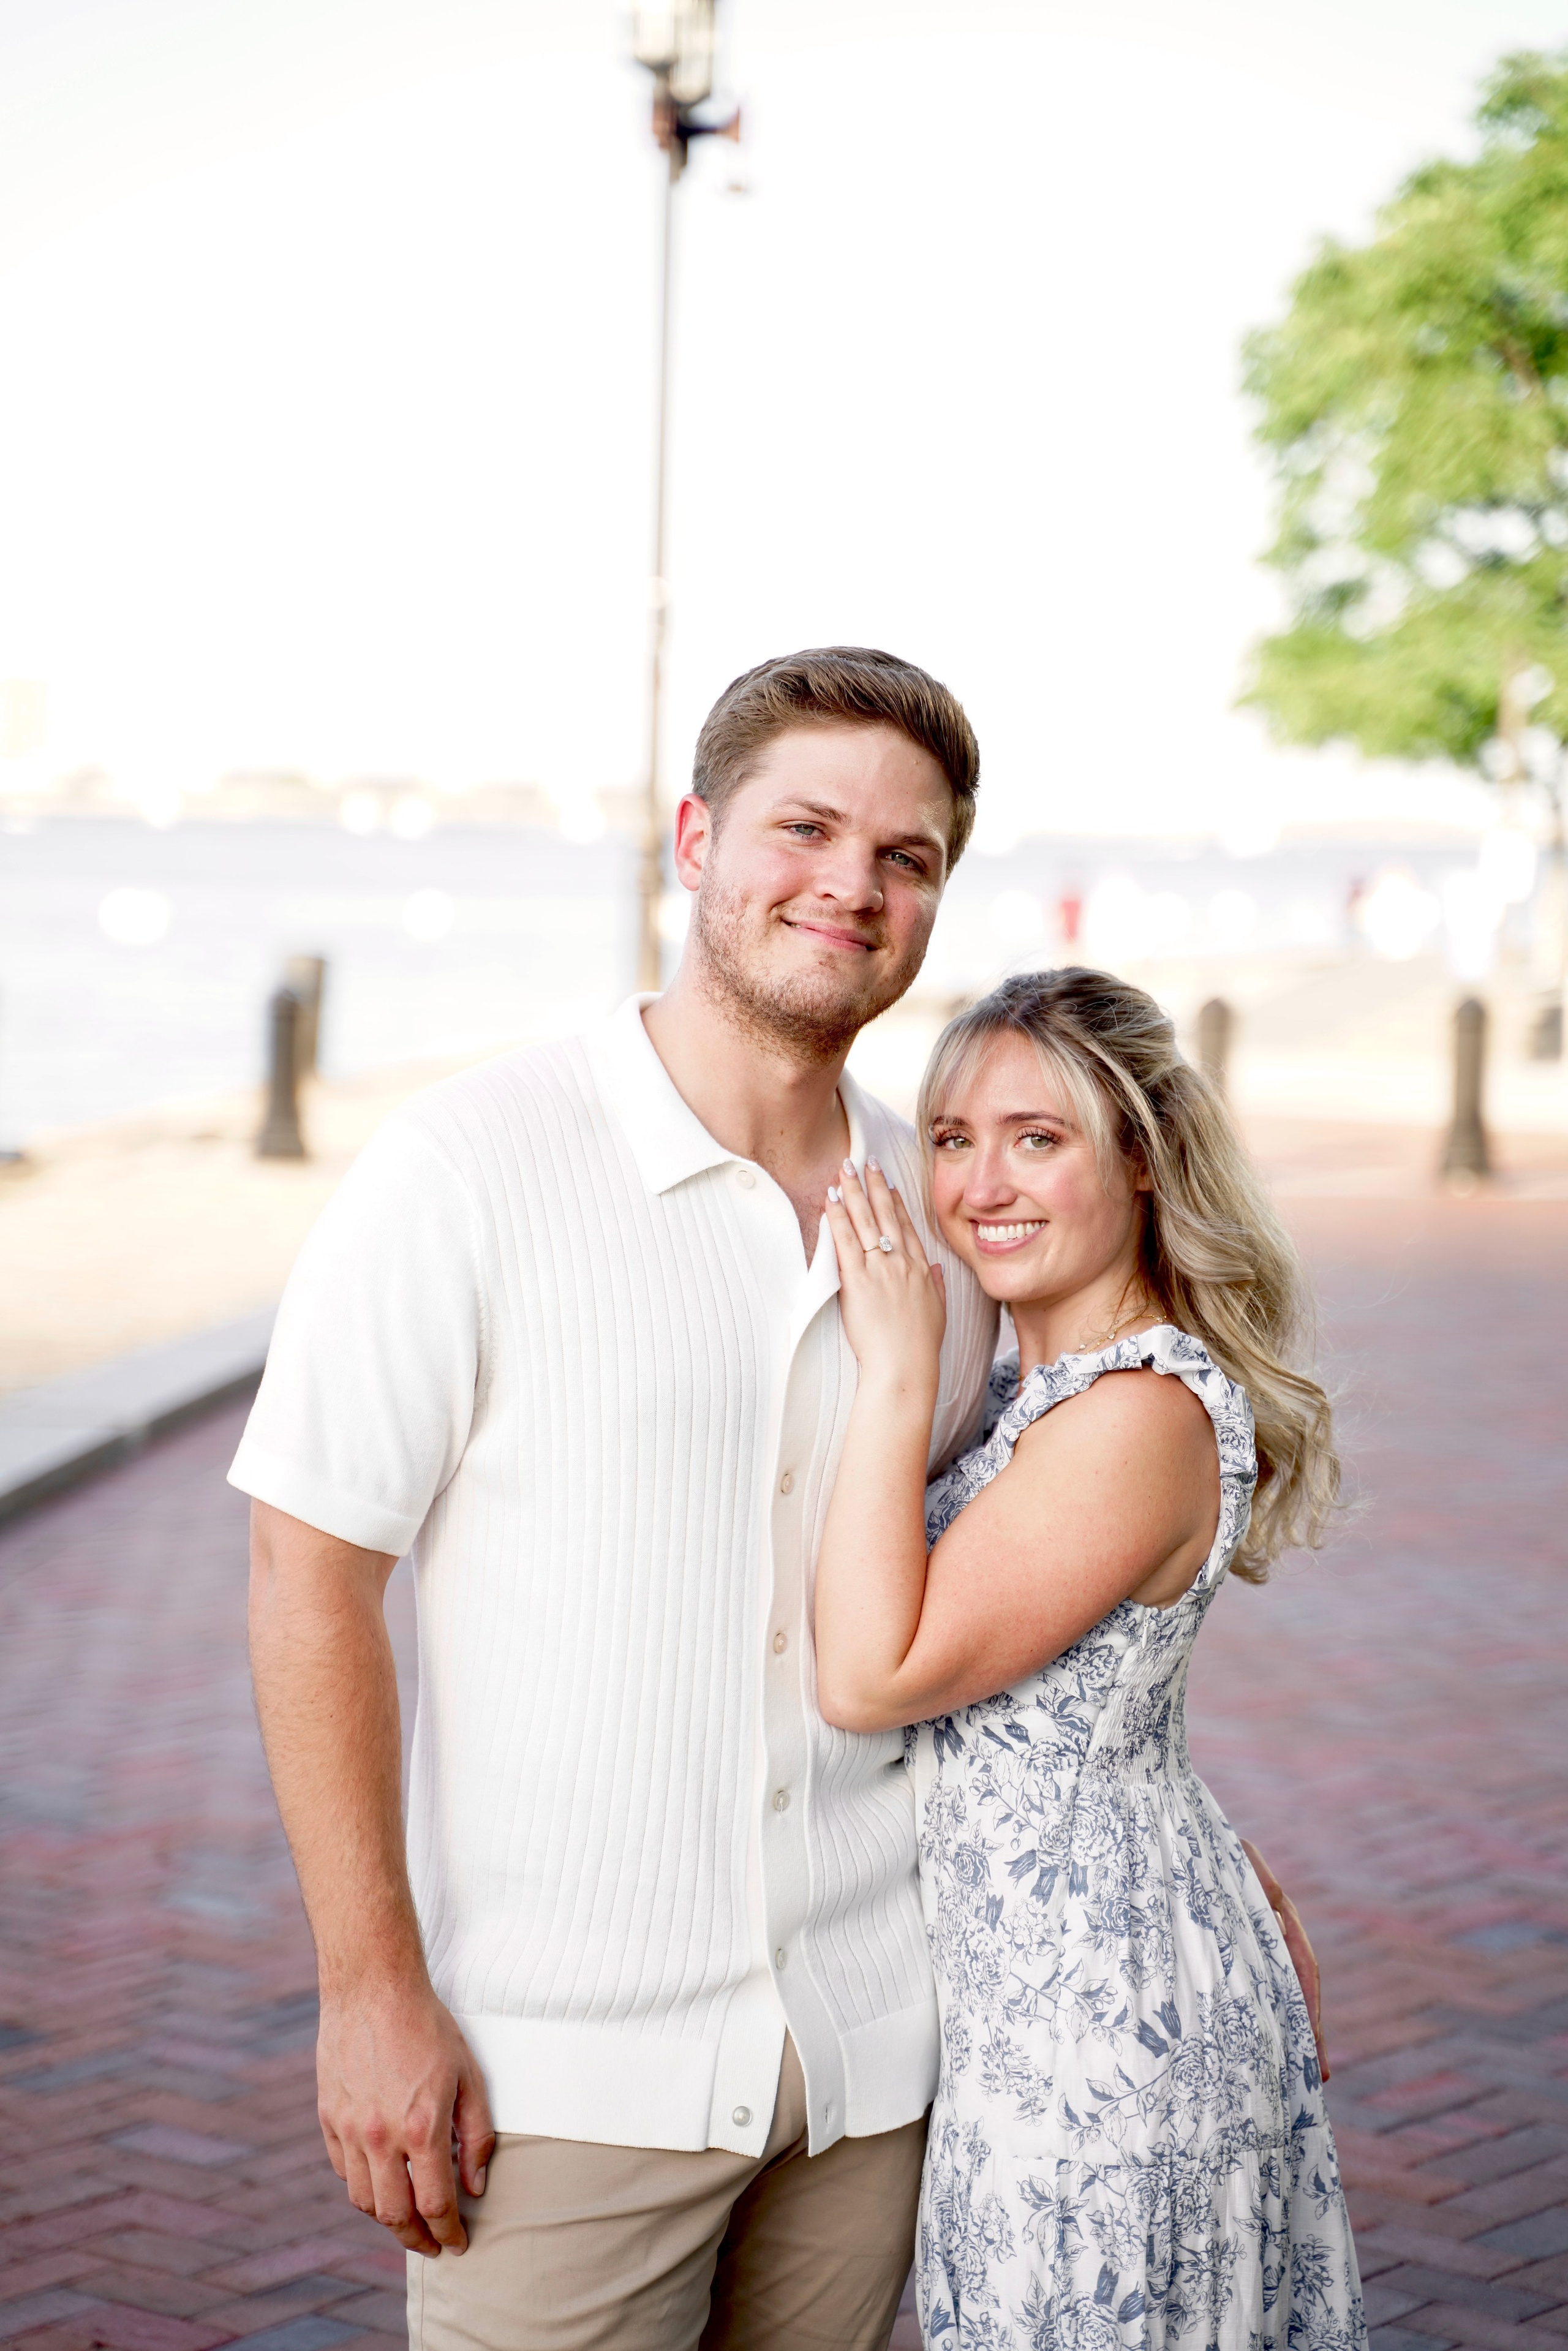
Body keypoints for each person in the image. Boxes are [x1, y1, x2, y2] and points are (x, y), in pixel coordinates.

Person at [236, 649, 1323, 2351]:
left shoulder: (951, 1213)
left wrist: (1190, 1861)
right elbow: (308, 1573)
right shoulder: (469, 1165)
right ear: (694, 837)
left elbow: (1033, 1587)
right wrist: (371, 1986)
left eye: (908, 858)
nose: (852, 884)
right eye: (805, 826)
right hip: (572, 2082)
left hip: (888, 2071)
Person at [812, 967, 1364, 2350]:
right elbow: (1086, 1702)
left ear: (1139, 1162)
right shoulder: (1040, 1388)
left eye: (1035, 1136)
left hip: (1099, 2047)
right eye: (949, 1137)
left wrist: (890, 1367)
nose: (980, 1181)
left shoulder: (1132, 1410)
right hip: (1062, 1996)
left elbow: (874, 1674)